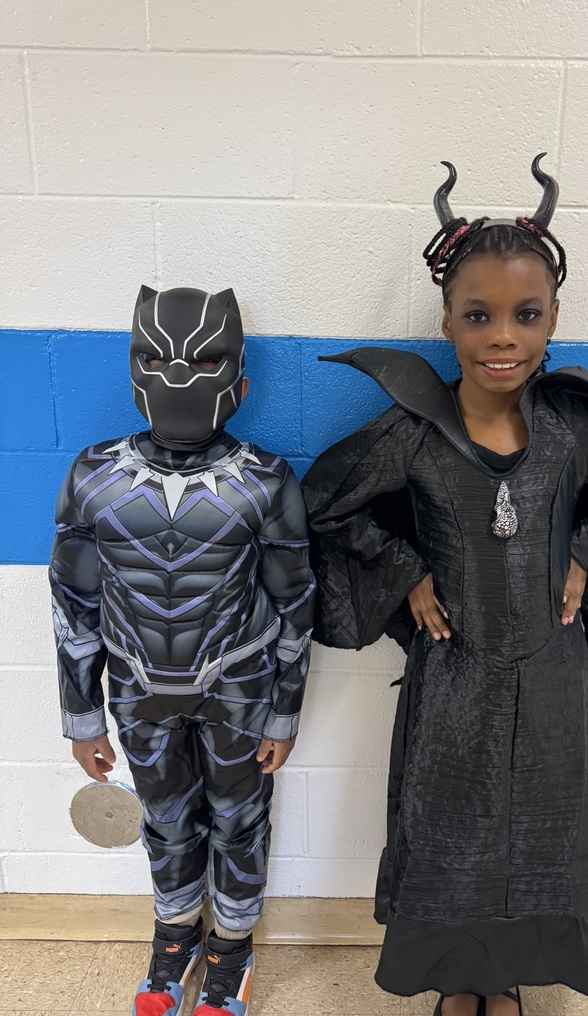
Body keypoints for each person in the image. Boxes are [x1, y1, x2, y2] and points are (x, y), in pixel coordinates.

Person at [301, 156, 588, 1016]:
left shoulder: (573, 425)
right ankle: (456, 981)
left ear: (553, 321)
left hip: (551, 676)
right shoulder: (414, 431)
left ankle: (506, 978)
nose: (502, 336)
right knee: (454, 831)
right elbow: (326, 506)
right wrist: (404, 572)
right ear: (447, 321)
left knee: (545, 829)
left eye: (525, 315)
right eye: (478, 316)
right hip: (455, 675)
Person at [50, 286, 315, 1016]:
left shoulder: (265, 479)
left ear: (239, 381)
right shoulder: (93, 474)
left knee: (240, 817)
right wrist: (82, 717)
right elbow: (73, 602)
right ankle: (175, 940)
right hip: (136, 687)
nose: (177, 378)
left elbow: (296, 600)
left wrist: (284, 711)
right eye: (156, 358)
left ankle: (231, 951)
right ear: (133, 371)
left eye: (202, 359)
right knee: (165, 819)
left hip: (239, 687)